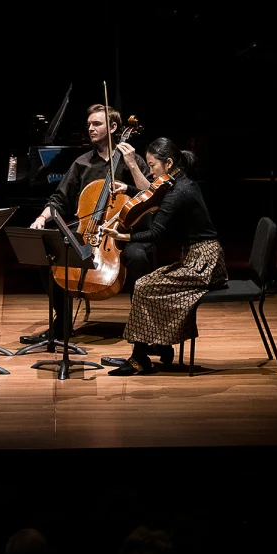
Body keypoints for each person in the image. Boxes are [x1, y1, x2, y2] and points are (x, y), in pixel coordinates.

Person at [21, 102, 153, 344]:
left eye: (97, 124)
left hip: (125, 233)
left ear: (113, 127)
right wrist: (41, 218)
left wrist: (133, 164)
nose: (90, 128)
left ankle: (141, 325)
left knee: (138, 256)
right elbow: (59, 200)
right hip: (89, 228)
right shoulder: (82, 163)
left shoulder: (132, 159)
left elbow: (150, 196)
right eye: (89, 124)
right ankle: (62, 321)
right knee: (48, 251)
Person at [101, 137, 227, 376]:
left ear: (168, 163)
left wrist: (121, 236)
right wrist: (128, 188)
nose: (150, 171)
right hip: (198, 257)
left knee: (145, 285)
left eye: (152, 166)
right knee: (150, 285)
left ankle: (141, 358)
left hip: (204, 262)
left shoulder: (181, 190)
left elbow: (156, 232)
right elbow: (154, 197)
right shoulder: (178, 183)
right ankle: (162, 346)